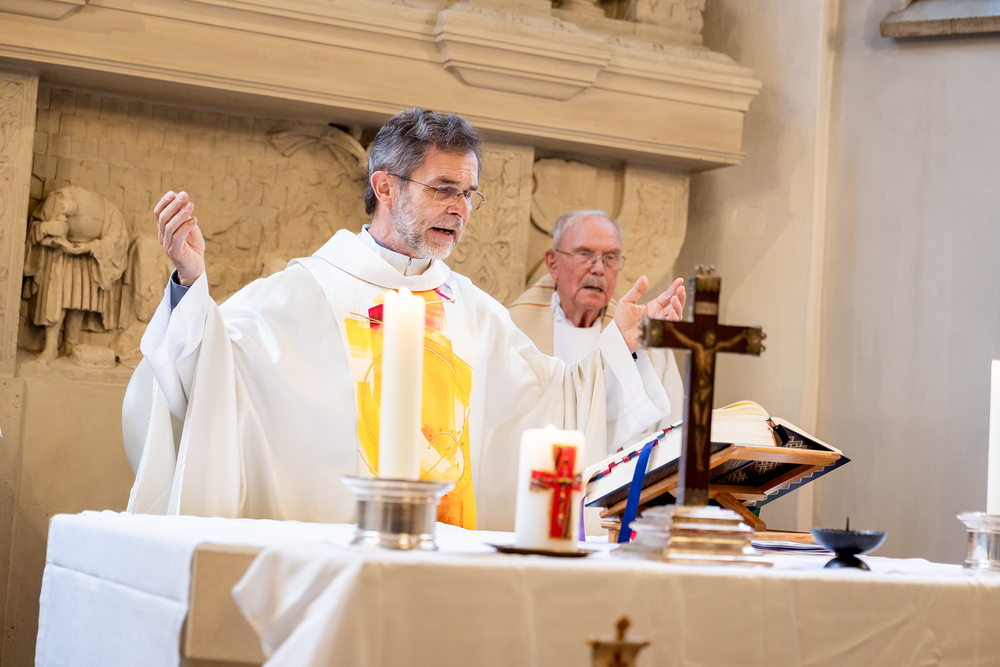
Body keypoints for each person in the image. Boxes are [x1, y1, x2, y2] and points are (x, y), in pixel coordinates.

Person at [124, 109, 685, 531]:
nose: (460, 209)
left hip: (448, 553)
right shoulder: (305, 292)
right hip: (338, 559)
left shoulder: (473, 311)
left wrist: (621, 344)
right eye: (443, 190)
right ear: (385, 187)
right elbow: (207, 372)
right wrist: (189, 284)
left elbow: (559, 403)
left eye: (469, 194)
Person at [509, 210, 685, 447]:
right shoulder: (513, 332)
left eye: (610, 257)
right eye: (584, 254)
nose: (598, 269)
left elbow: (671, 434)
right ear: (553, 263)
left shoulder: (646, 339)